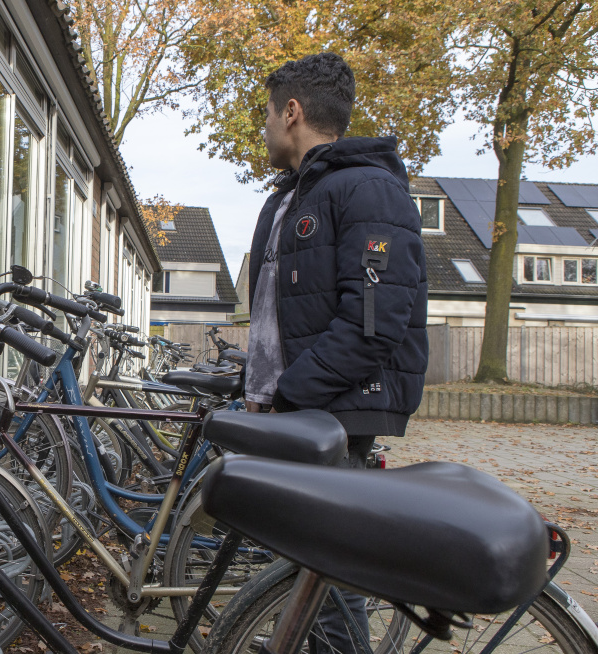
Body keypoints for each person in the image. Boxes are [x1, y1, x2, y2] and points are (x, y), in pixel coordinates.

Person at [242, 52, 428, 654]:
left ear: (292, 112)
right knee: (307, 578)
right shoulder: (295, 196)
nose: (264, 125)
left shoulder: (366, 189)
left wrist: (294, 390)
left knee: (326, 586)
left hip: (332, 413)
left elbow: (375, 320)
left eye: (268, 113)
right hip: (299, 411)